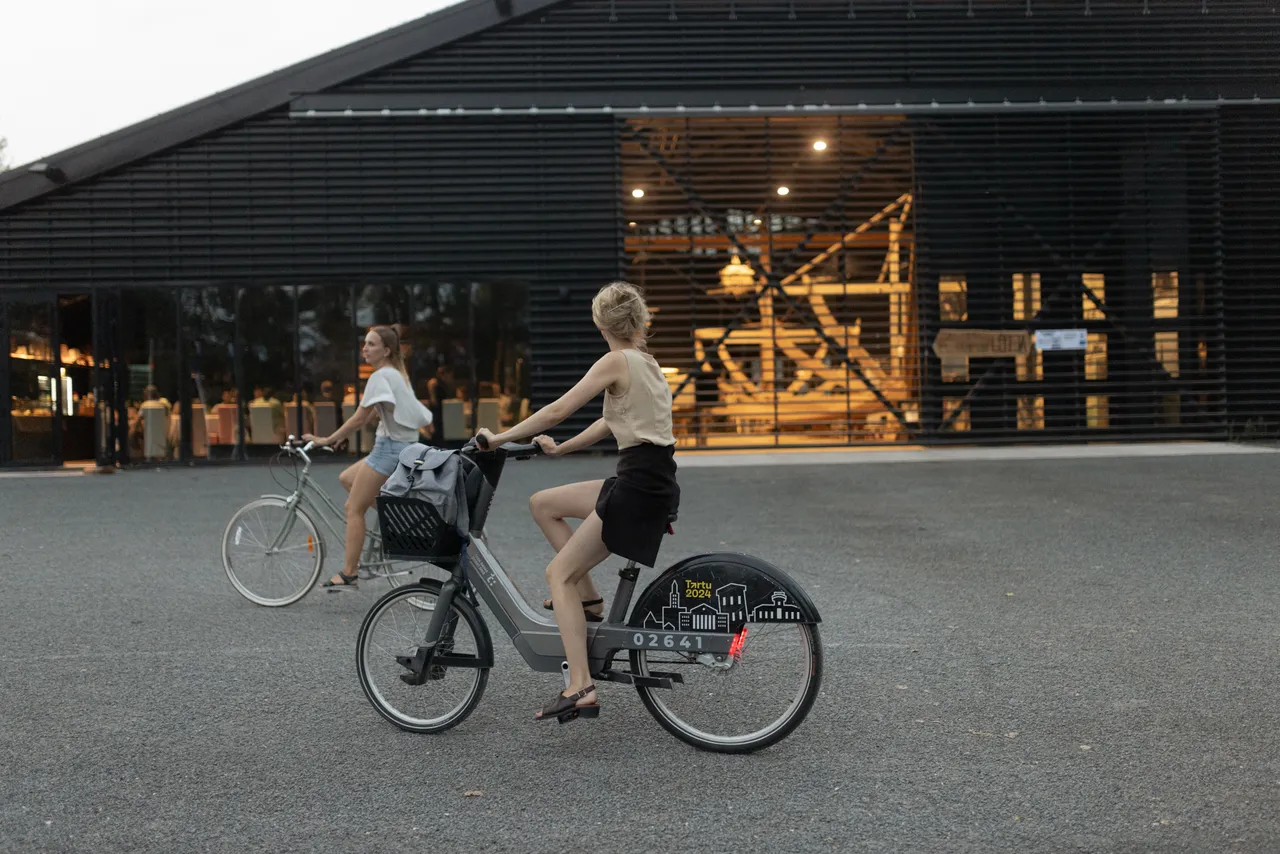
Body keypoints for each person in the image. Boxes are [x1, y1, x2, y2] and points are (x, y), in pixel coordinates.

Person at [475, 281, 678, 724]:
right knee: (543, 503)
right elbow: (610, 421)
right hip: (647, 477)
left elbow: (556, 410)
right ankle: (589, 604)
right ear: (637, 321)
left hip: (638, 486)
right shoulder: (645, 362)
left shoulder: (614, 360)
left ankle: (580, 685)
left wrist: (498, 437)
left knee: (556, 575)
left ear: (599, 322)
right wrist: (561, 449)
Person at [303, 325, 432, 590]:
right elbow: (386, 410)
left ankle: (350, 572)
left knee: (354, 508)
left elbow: (360, 417)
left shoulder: (381, 376)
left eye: (371, 344)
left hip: (390, 449)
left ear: (386, 350)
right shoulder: (396, 374)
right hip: (398, 446)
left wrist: (327, 439)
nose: (365, 348)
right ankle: (395, 520)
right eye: (365, 343)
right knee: (347, 478)